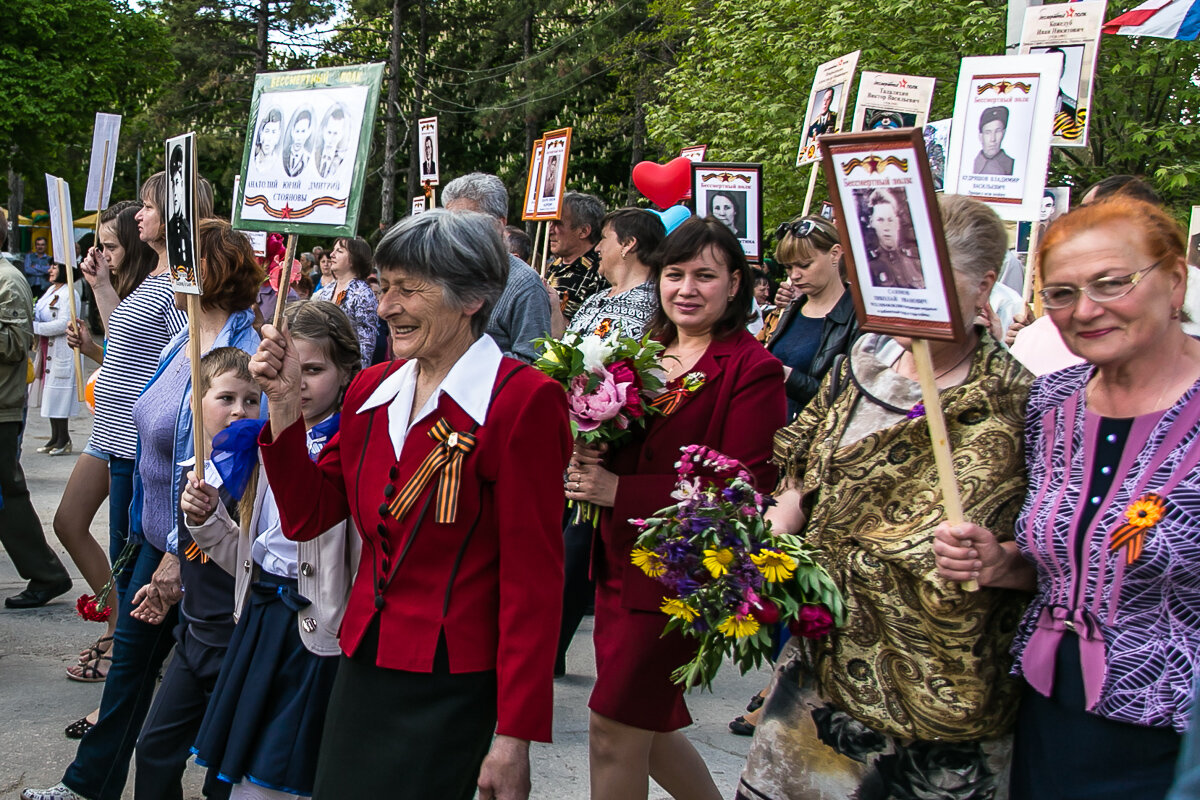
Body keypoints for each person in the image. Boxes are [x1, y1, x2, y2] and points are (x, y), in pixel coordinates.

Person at [250, 209, 571, 797]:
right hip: (363, 660)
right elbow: (309, 516)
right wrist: (283, 408)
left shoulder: (525, 403)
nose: (384, 307)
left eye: (408, 290)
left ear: (472, 297)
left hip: (455, 681)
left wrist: (514, 735)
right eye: (382, 286)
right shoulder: (372, 389)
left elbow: (535, 583)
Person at [737, 195, 1032, 800]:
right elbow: (801, 467)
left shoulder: (1019, 400)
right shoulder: (859, 364)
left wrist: (1003, 562)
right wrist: (770, 536)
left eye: (926, 279)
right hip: (824, 666)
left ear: (984, 287)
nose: (902, 292)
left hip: (944, 687)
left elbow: (1052, 544)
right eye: (895, 273)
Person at [934, 195, 1200, 800]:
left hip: (1177, 738)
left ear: (1175, 281)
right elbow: (1077, 554)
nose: (1086, 310)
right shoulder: (1053, 404)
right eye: (1060, 293)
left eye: (1112, 283)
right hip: (1050, 713)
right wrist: (1002, 563)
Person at [22, 218, 263, 800]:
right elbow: (140, 411)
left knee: (185, 721)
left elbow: (229, 472)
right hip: (155, 539)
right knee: (129, 678)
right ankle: (87, 785)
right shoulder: (186, 337)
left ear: (205, 272)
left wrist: (180, 556)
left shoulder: (240, 355)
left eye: (180, 259)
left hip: (196, 559)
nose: (167, 268)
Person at [567, 215, 786, 800]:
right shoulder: (640, 351)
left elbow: (742, 488)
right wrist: (584, 445)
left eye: (705, 276)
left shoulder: (751, 369)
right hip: (616, 562)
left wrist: (621, 492)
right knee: (650, 725)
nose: (686, 288)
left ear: (736, 284)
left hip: (679, 576)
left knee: (613, 726)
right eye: (675, 274)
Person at [187, 301, 361, 799]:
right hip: (259, 621)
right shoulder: (265, 439)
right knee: (240, 778)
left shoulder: (351, 443)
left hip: (313, 629)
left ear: (348, 369)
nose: (299, 383)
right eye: (288, 370)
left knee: (279, 780)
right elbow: (253, 554)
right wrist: (205, 521)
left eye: (313, 370)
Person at [56, 201, 164, 703]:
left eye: (112, 245)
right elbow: (123, 349)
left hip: (133, 437)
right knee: (69, 523)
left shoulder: (167, 288)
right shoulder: (134, 288)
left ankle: (121, 637)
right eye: (99, 244)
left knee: (126, 547)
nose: (103, 252)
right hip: (107, 429)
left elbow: (156, 365)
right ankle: (116, 625)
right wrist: (99, 291)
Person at [555, 208, 666, 678]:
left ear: (629, 244)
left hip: (607, 442)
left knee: (577, 546)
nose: (598, 247)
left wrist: (597, 418)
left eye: (605, 238)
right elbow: (567, 353)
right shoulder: (599, 297)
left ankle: (552, 642)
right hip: (573, 433)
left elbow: (629, 373)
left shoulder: (648, 304)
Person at [0, 210, 73, 610]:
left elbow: (15, 344)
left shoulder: (8, 282)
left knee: (8, 495)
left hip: (2, 408)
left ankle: (47, 574)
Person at [442, 172, 554, 363]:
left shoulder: (524, 285)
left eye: (466, 222)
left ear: (499, 224)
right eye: (448, 222)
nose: (454, 232)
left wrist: (460, 360)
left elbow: (533, 361)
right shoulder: (440, 273)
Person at [763, 215, 859, 419]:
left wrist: (788, 377)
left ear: (835, 254)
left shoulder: (859, 318)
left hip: (816, 440)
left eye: (804, 265)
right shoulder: (791, 309)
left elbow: (850, 400)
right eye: (789, 267)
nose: (795, 275)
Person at [31, 262, 82, 454]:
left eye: (55, 267)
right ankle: (54, 437)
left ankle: (64, 439)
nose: (50, 270)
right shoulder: (52, 289)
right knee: (50, 395)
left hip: (62, 349)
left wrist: (35, 327)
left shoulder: (71, 293)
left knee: (60, 397)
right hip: (46, 348)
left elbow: (64, 323)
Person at [312, 236, 378, 368]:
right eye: (333, 250)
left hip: (348, 369)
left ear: (354, 259)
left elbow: (366, 344)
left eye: (339, 251)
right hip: (323, 363)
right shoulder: (326, 291)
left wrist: (358, 377)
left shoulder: (362, 293)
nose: (332, 255)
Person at [547, 192, 606, 322]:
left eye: (557, 223)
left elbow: (584, 331)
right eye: (550, 222)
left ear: (583, 231)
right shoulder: (555, 266)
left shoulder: (599, 271)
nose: (550, 230)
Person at [866, 189, 924, 289]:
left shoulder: (916, 261)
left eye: (890, 220)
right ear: (872, 222)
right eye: (880, 220)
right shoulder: (868, 265)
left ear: (898, 222)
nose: (886, 227)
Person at [166, 144, 196, 286]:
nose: (175, 191)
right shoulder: (171, 227)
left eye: (178, 183)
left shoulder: (192, 228)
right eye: (173, 183)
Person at [973, 105, 1015, 176]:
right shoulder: (970, 163)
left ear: (1003, 133)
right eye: (988, 132)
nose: (993, 139)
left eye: (997, 131)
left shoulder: (1012, 164)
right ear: (980, 136)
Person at [316, 104, 348, 179]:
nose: (331, 138)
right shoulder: (313, 156)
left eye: (335, 134)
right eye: (329, 132)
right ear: (324, 131)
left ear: (341, 135)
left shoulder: (342, 162)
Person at [283, 108, 313, 178]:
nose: (299, 137)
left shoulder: (308, 159)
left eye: (303, 132)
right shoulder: (284, 154)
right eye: (297, 131)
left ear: (308, 133)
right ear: (292, 131)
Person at [253, 108, 283, 172]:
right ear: (261, 133)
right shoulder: (253, 159)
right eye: (267, 131)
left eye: (273, 132)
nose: (269, 138)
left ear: (278, 136)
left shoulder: (276, 162)